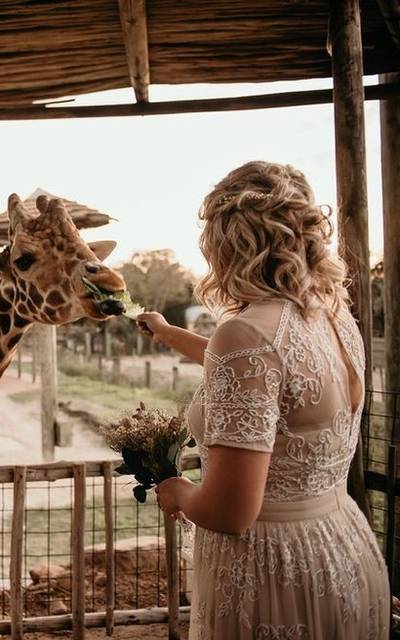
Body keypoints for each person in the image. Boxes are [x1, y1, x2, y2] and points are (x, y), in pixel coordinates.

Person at [140, 161, 389, 639]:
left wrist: (178, 491)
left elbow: (231, 511)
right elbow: (268, 376)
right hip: (342, 546)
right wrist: (171, 335)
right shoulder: (334, 318)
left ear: (228, 243)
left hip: (270, 574)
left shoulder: (245, 333)